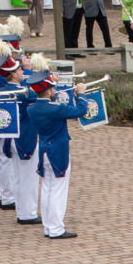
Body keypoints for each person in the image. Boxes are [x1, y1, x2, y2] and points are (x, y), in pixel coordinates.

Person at [22, 72, 84, 240]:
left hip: (43, 149)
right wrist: (81, 94)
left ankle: (48, 226)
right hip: (58, 150)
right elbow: (81, 111)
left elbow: (51, 105)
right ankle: (56, 228)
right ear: (48, 91)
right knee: (58, 190)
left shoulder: (32, 109)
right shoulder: (56, 109)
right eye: (52, 89)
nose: (54, 91)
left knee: (47, 188)